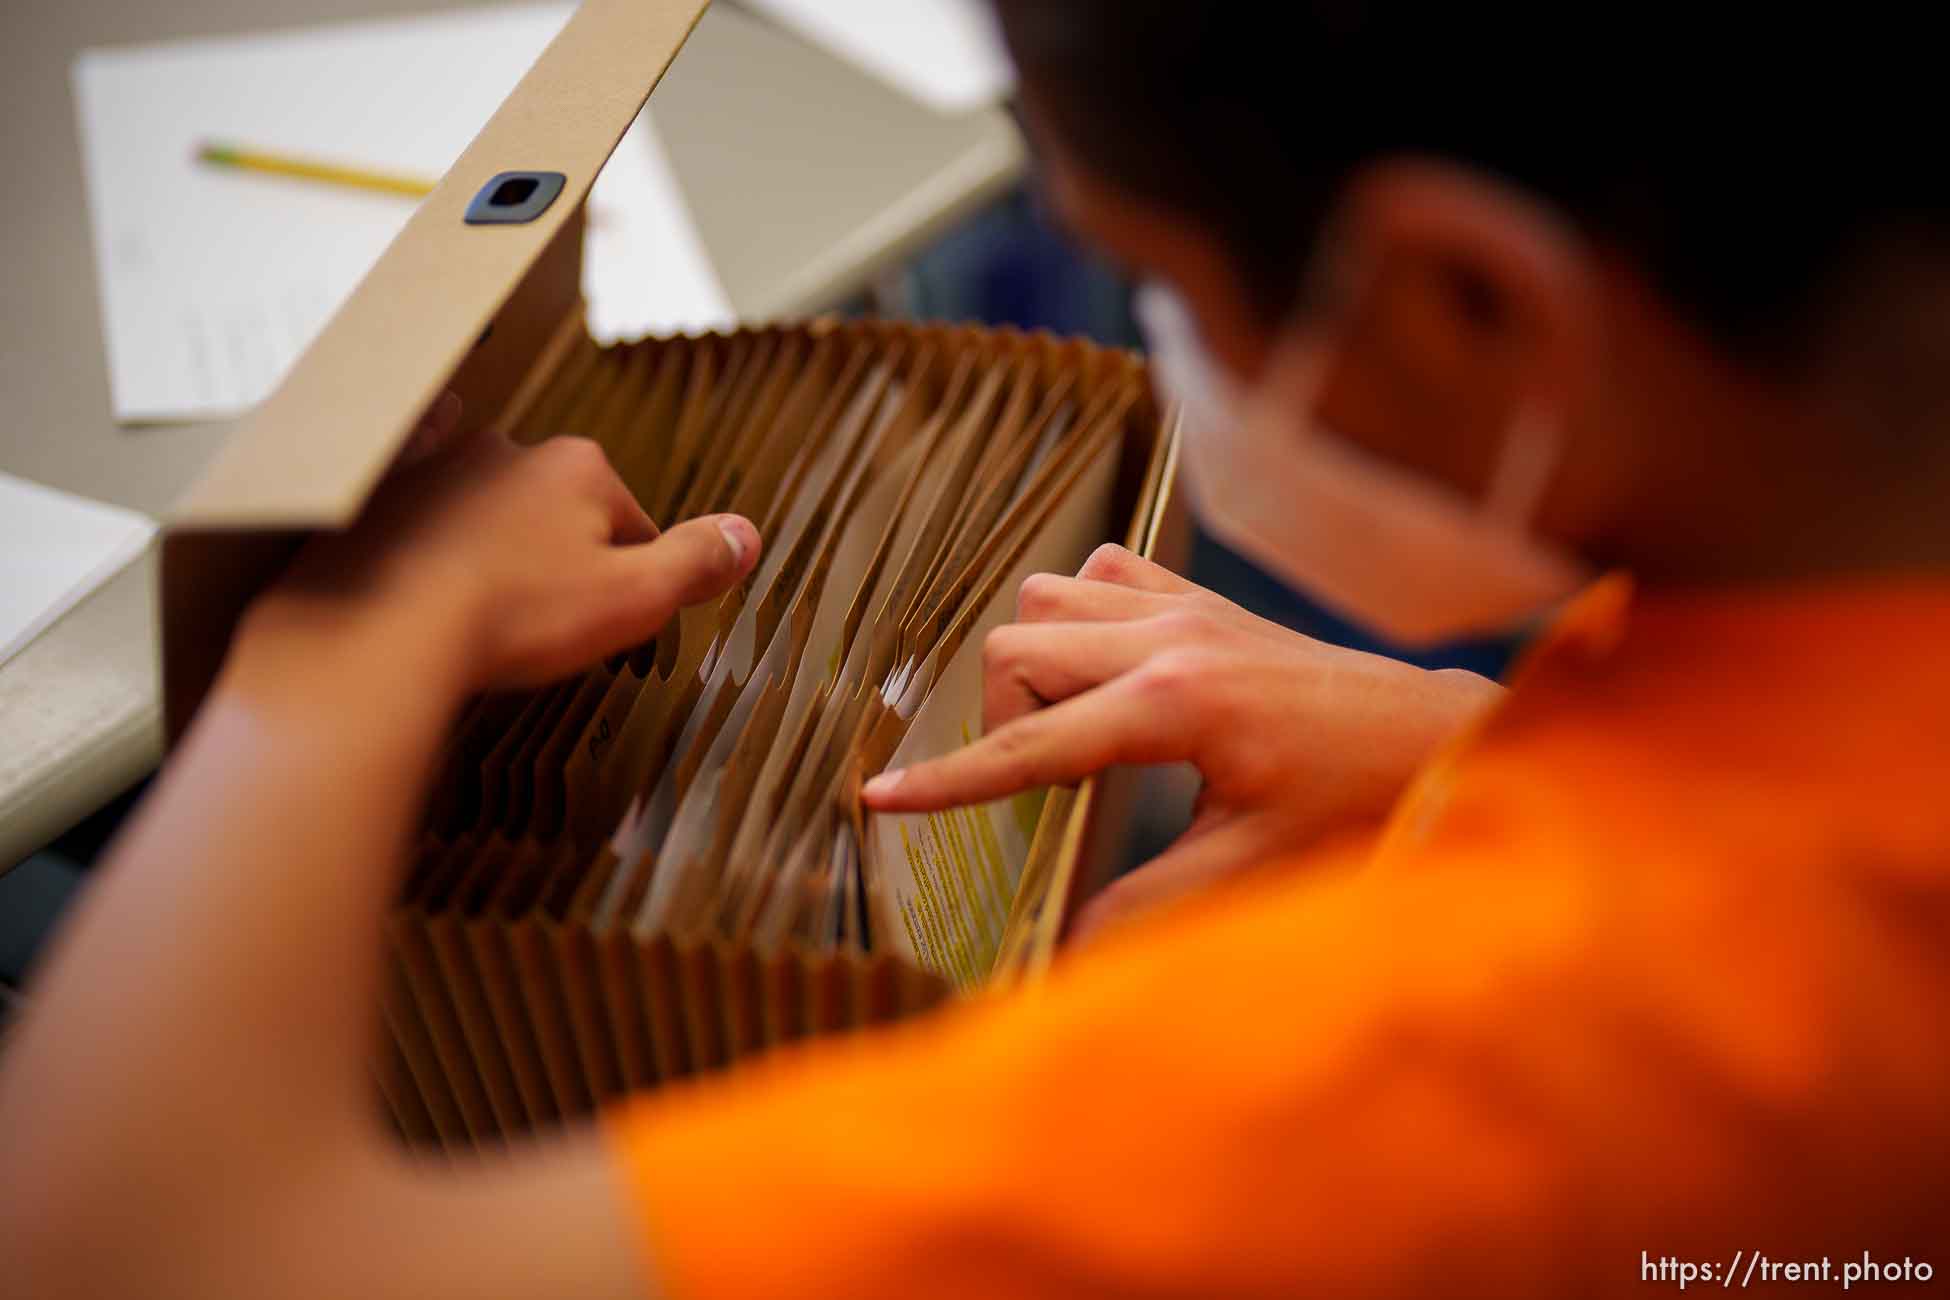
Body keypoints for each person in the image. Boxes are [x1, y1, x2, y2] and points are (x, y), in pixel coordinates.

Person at [5, 5, 1949, 1295]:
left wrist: (352, 632)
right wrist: (1474, 741)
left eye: (1164, 280)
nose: (1164, 344)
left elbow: (124, 1243)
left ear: (1468, 302)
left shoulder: (1456, 1055)